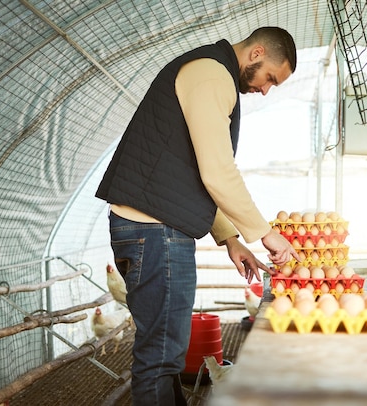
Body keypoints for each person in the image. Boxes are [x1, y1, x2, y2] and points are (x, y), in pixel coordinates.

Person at [95, 27, 301, 405]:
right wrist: (265, 234)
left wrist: (230, 238)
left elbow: (190, 171)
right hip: (153, 230)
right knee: (160, 356)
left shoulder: (210, 73)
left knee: (164, 351)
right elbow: (217, 172)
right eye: (271, 77)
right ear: (256, 53)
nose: (266, 89)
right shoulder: (210, 74)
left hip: (149, 226)